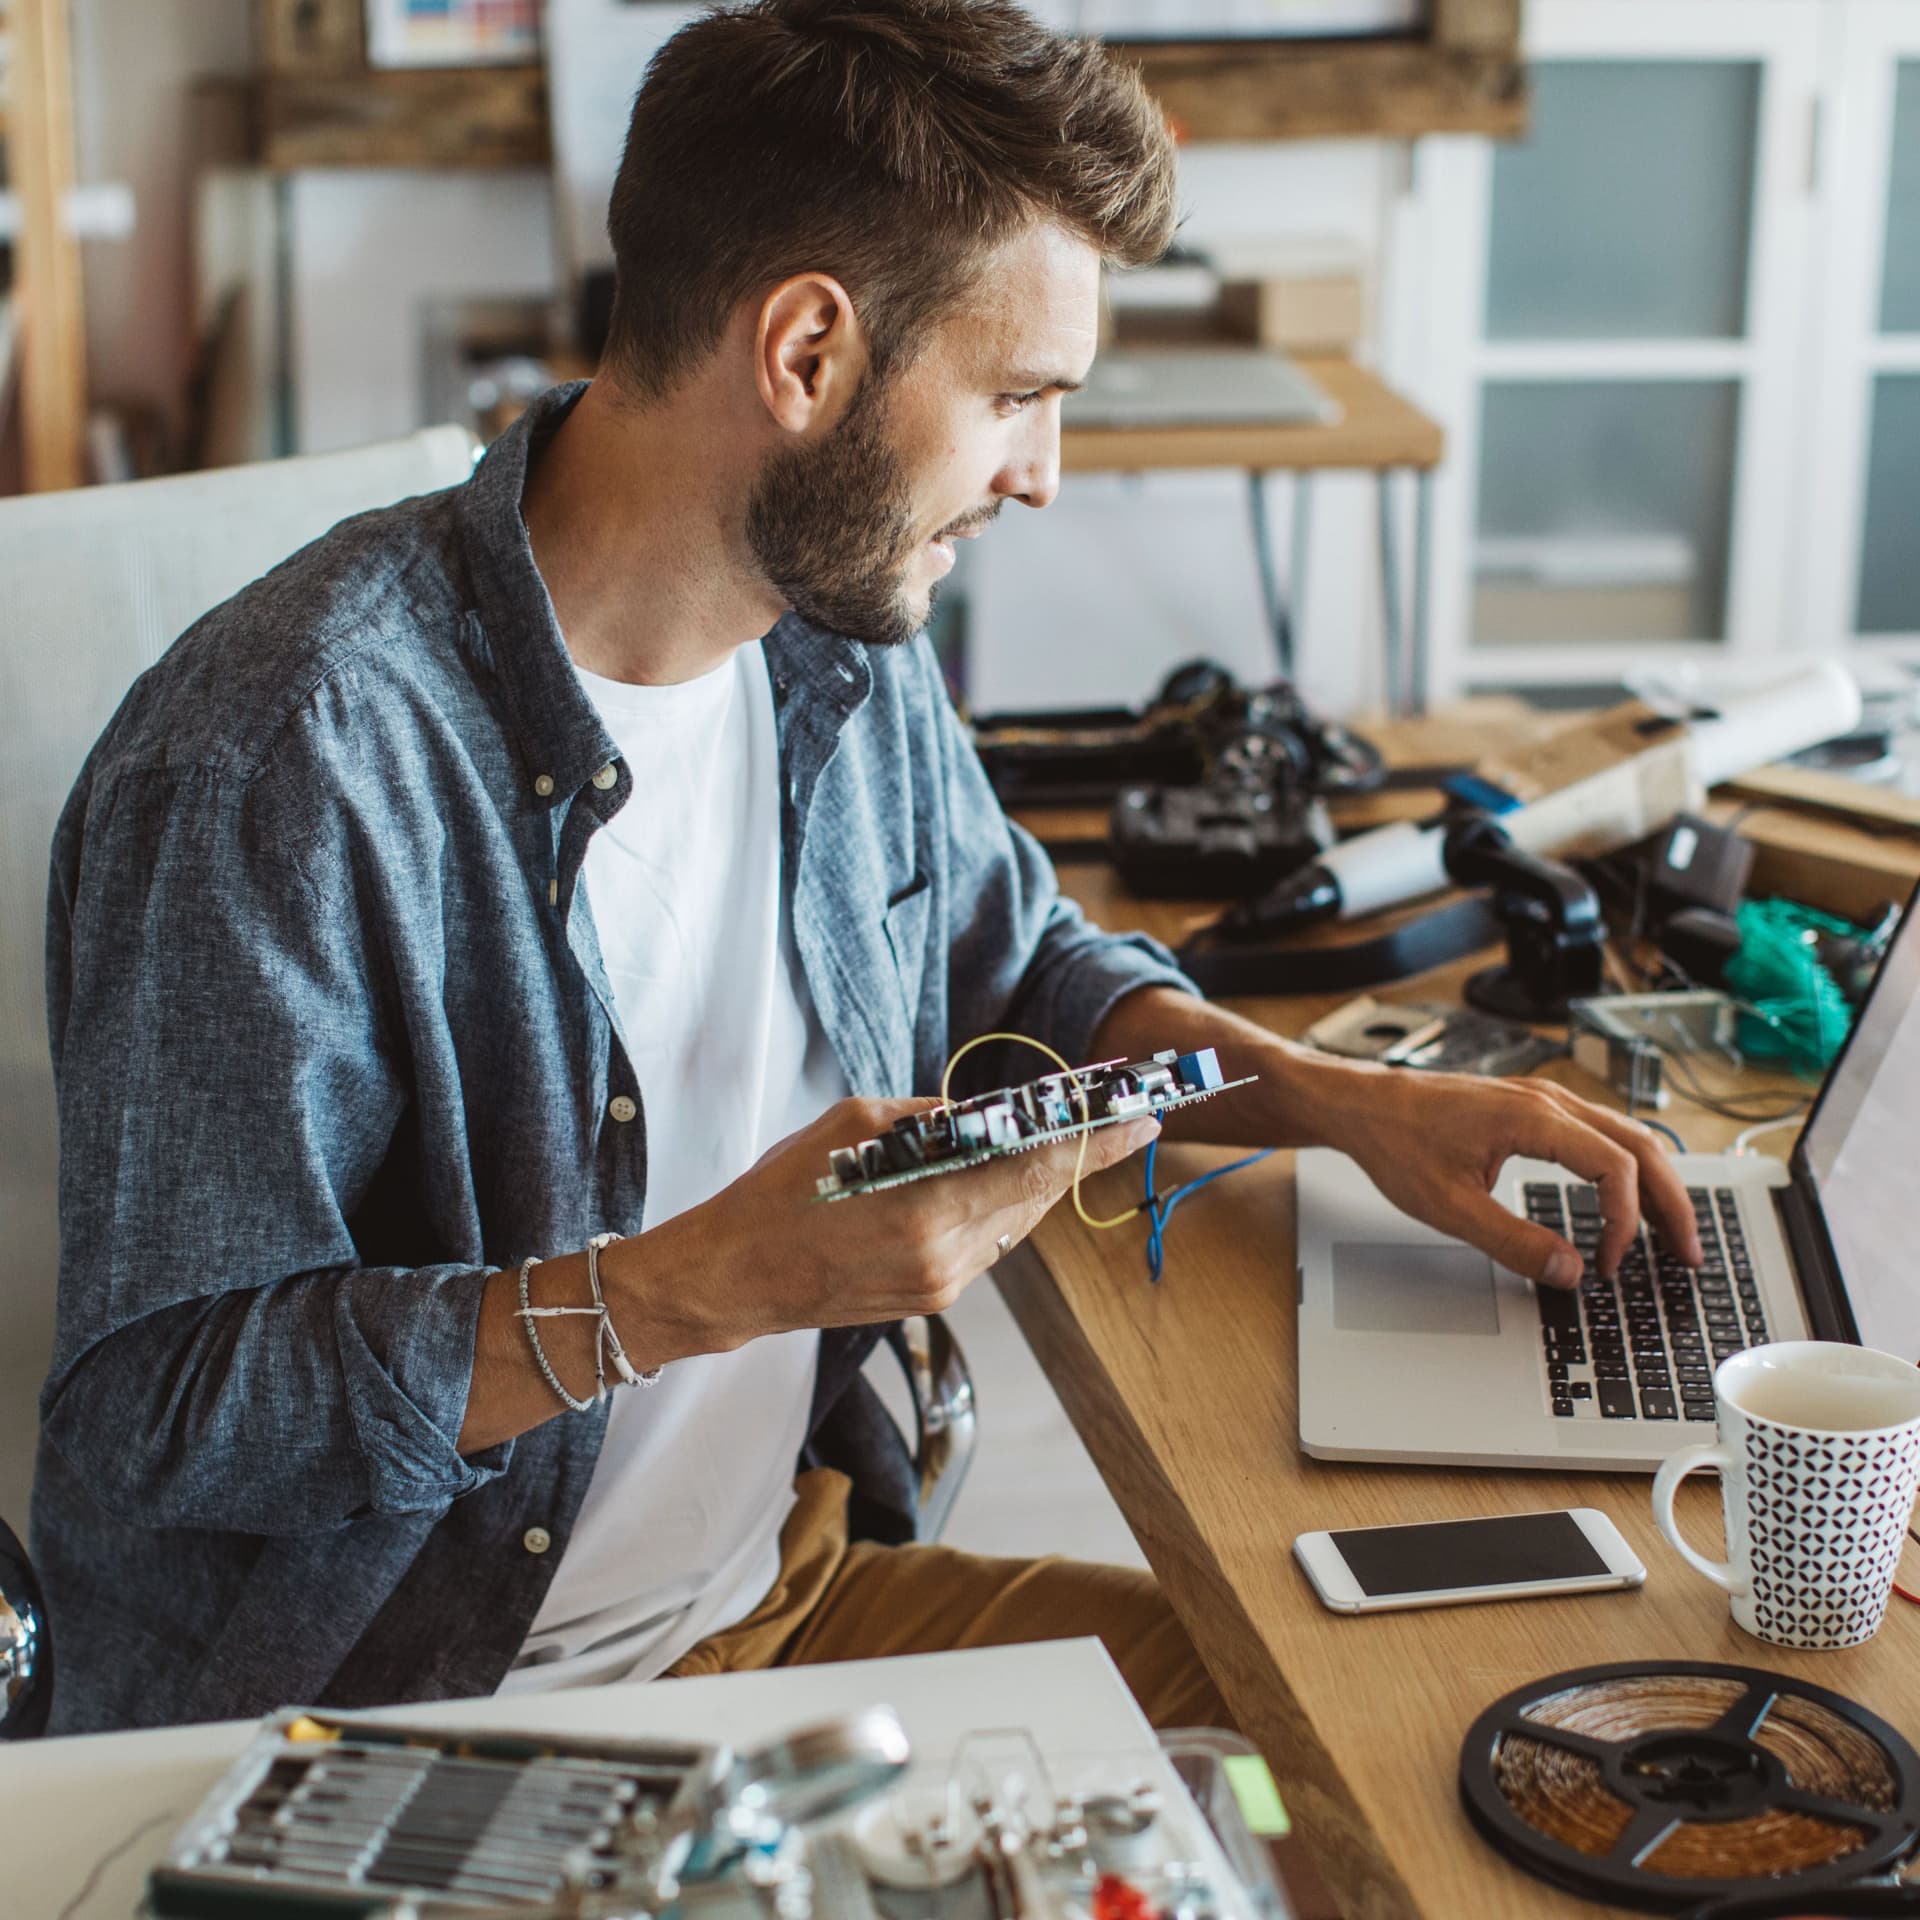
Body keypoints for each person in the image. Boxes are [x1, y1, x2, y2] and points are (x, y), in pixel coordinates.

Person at [34, 0, 1701, 1737]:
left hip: (783, 1600)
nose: (1040, 478)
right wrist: (707, 1284)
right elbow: (161, 1413)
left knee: (1401, 1739)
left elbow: (1016, 960)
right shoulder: (277, 759)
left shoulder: (837, 637)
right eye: (1016, 398)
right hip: (394, 1713)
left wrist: (1338, 1103)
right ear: (809, 355)